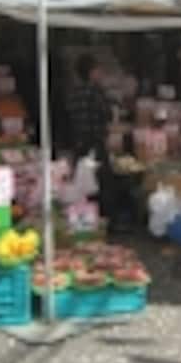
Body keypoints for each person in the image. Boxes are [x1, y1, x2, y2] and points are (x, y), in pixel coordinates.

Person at [67, 54, 115, 232]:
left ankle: (84, 221)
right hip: (95, 144)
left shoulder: (73, 91)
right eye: (98, 70)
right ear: (92, 72)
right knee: (102, 182)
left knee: (82, 183)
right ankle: (104, 221)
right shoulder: (95, 91)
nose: (101, 73)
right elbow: (107, 114)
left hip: (79, 144)